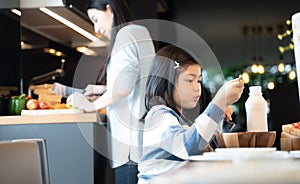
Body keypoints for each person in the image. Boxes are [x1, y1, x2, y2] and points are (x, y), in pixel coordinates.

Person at [64, 0, 156, 184]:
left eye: (96, 19)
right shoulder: (139, 31)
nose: (97, 29)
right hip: (141, 140)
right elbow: (139, 79)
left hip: (129, 145)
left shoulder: (125, 34)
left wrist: (91, 106)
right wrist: (104, 89)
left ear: (109, 9)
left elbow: (122, 88)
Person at [138, 45, 244, 183]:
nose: (197, 88)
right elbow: (191, 147)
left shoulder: (178, 121)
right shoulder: (159, 117)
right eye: (189, 80)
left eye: (199, 80)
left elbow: (205, 146)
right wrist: (218, 104)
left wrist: (218, 114)